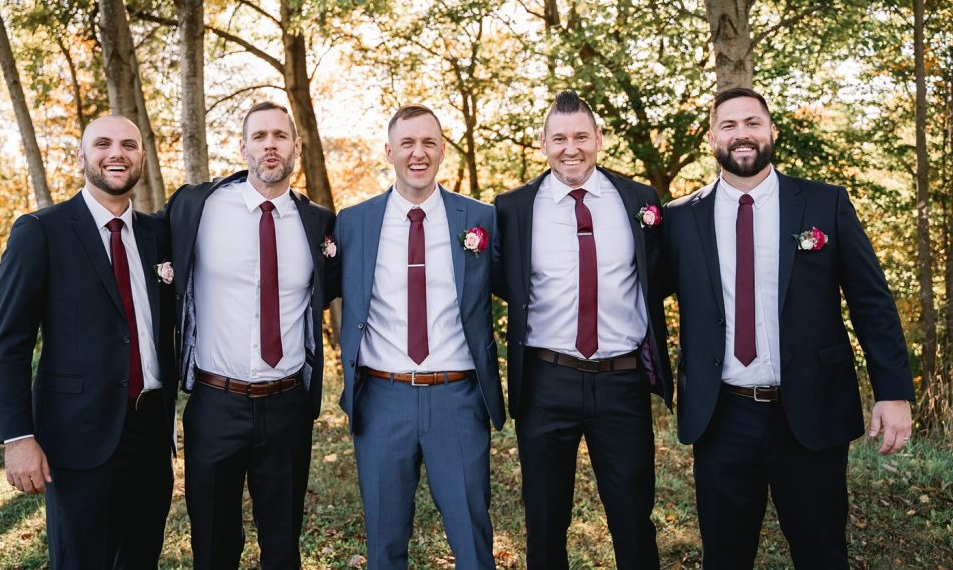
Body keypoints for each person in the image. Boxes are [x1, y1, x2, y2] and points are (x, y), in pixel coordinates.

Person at [662, 87, 914, 568]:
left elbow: (871, 302)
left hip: (811, 411)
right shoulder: (680, 218)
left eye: (753, 123)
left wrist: (893, 391)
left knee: (821, 554)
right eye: (730, 125)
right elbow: (637, 296)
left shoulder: (824, 204)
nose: (743, 135)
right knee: (725, 557)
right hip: (721, 417)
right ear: (712, 137)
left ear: (772, 131)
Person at [0, 115, 177, 568]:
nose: (117, 153)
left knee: (139, 560)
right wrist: (18, 438)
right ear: (82, 157)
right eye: (103, 144)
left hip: (150, 436)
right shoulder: (41, 231)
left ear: (142, 158)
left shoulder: (159, 235)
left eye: (129, 145)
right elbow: (8, 343)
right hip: (76, 438)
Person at [493, 90, 672, 570]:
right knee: (546, 522)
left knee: (633, 517)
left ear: (598, 139)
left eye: (580, 137)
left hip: (621, 380)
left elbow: (661, 277)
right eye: (559, 138)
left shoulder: (639, 200)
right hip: (547, 381)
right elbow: (499, 283)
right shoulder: (512, 209)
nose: (570, 148)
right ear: (542, 144)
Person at [162, 101, 337, 570]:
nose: (270, 145)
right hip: (216, 402)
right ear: (242, 147)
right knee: (215, 546)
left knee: (282, 547)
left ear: (296, 147)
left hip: (286, 405)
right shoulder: (196, 207)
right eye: (259, 136)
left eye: (280, 136)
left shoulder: (318, 222)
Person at [333, 104, 505, 569]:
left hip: (457, 398)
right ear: (389, 151)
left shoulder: (480, 219)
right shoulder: (353, 223)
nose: (418, 152)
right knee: (385, 546)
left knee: (472, 541)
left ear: (443, 150)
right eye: (407, 143)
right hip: (382, 399)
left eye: (428, 142)